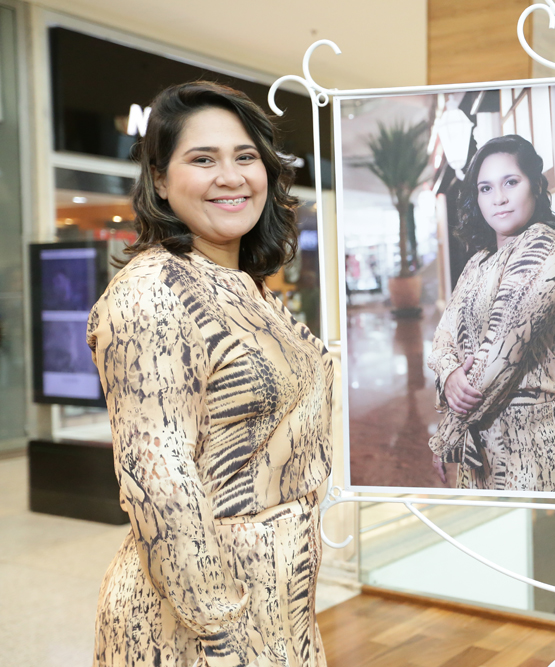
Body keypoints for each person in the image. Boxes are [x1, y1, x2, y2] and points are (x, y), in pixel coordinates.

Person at [87, 81, 335, 666]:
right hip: (200, 620)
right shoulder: (152, 294)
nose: (231, 176)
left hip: (278, 602)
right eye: (203, 159)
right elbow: (160, 480)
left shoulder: (242, 285)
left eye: (245, 156)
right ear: (159, 180)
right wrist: (221, 630)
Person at [427, 134, 555, 492]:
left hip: (534, 448)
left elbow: (499, 358)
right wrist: (449, 373)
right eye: (485, 188)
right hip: (479, 448)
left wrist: (446, 435)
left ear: (536, 185)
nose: (498, 198)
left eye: (511, 182)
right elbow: (442, 336)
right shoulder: (478, 262)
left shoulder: (546, 250)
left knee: (532, 531)